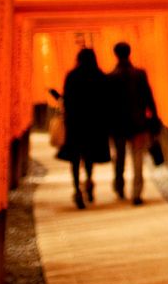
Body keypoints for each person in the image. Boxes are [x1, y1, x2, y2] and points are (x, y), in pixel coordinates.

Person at [58, 48, 112, 209]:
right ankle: (88, 179)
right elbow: (106, 100)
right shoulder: (100, 76)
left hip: (76, 122)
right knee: (89, 155)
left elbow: (66, 99)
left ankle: (76, 189)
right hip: (94, 123)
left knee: (75, 158)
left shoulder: (72, 76)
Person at [107, 42, 158, 206]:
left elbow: (107, 104)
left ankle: (120, 186)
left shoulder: (111, 77)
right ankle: (137, 193)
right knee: (137, 159)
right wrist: (154, 117)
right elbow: (149, 98)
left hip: (118, 126)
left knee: (119, 157)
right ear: (130, 53)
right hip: (138, 124)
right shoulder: (140, 74)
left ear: (115, 54)